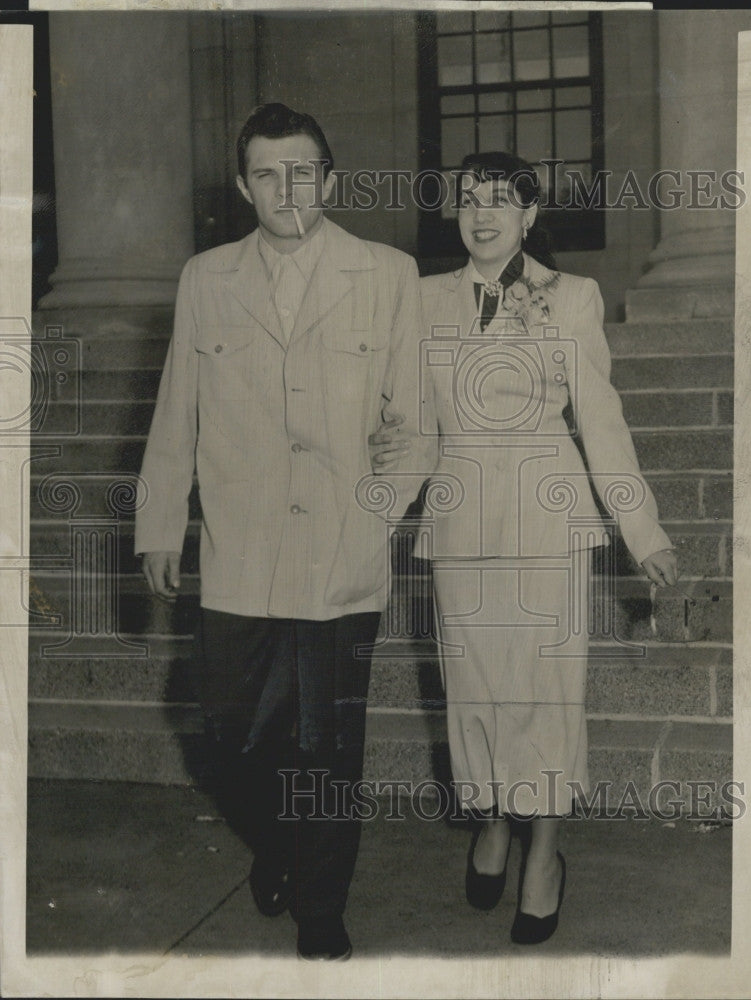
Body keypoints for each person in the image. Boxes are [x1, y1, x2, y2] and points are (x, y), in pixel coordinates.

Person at [134, 103, 430, 961]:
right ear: (242, 186)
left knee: (329, 747)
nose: (286, 187)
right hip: (238, 553)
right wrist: (160, 525)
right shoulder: (205, 278)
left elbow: (415, 427)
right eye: (268, 173)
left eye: (302, 171)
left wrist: (374, 519)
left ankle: (321, 910)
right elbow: (174, 415)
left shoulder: (387, 273)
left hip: (340, 555)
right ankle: (278, 845)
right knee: (230, 732)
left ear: (329, 180)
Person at [370, 151, 678, 944]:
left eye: (501, 201)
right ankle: (495, 820)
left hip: (548, 512)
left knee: (545, 693)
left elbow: (601, 423)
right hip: (459, 513)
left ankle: (544, 848)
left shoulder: (569, 296)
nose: (482, 214)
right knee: (475, 692)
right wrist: (371, 516)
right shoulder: (422, 298)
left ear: (531, 215)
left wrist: (641, 530)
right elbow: (411, 427)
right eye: (469, 199)